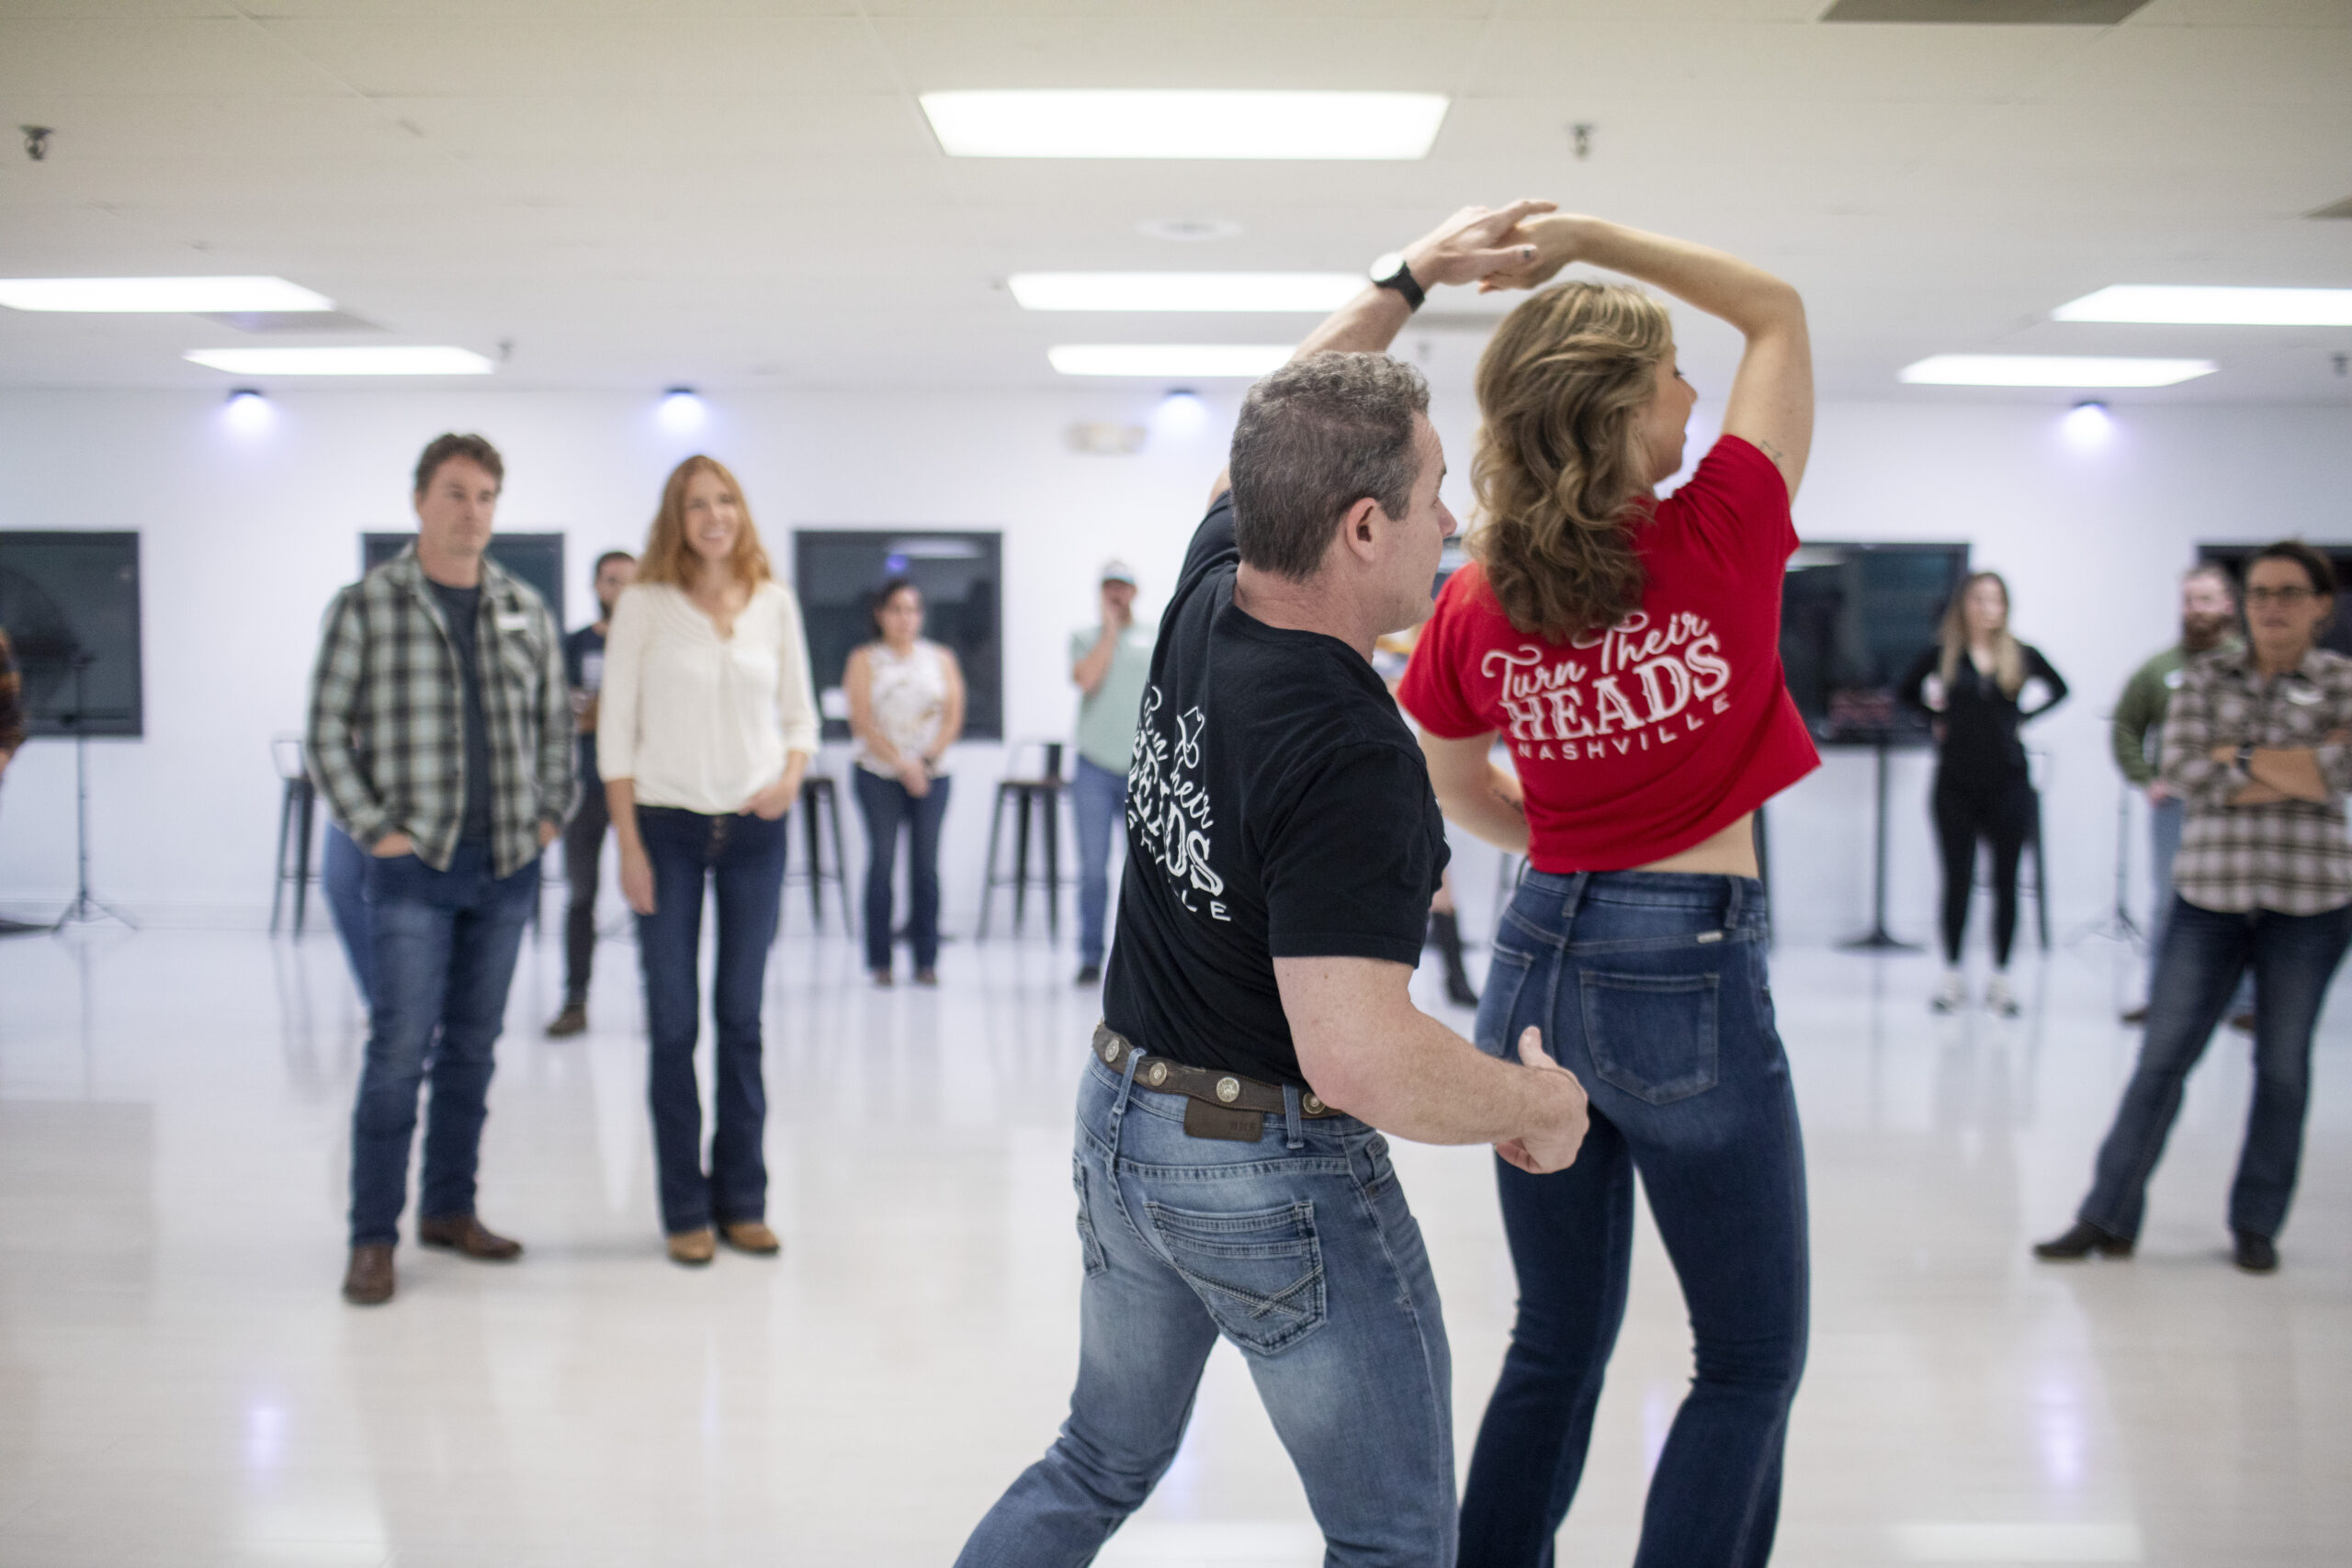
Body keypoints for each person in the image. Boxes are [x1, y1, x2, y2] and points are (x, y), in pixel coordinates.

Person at [955, 200, 1591, 1568]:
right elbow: (1357, 1053)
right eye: (1434, 499)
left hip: (1123, 1118)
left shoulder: (1213, 581)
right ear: (1365, 526)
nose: (1457, 521)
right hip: (1263, 1169)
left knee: (1096, 1458)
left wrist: (1410, 276)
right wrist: (1535, 1102)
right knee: (1398, 1536)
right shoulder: (1354, 745)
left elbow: (1277, 416)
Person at [1400, 213, 1820, 1568]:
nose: (1698, 388)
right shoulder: (1727, 528)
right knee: (1748, 1357)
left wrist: (1564, 797)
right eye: (1674, 371)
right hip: (1683, 962)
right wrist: (1585, 239)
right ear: (1628, 403)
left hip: (1534, 955)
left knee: (1555, 1338)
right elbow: (1777, 307)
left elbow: (1457, 785)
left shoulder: (1480, 596)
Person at [307, 433, 574, 1307]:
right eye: (457, 493)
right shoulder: (368, 605)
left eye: (488, 495)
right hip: (413, 868)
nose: (473, 511)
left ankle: (450, 1209)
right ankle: (372, 1237)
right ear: (421, 500)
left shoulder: (521, 609)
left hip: (504, 867)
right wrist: (375, 831)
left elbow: (555, 732)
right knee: (397, 1052)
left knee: (472, 1052)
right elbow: (324, 735)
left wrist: (546, 818)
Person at [2038, 541, 2352, 1276]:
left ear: (2320, 607)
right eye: (2261, 592)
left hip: (2310, 905)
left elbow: (2341, 774)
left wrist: (2234, 756)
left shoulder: (2342, 681)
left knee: (2282, 1067)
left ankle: (2256, 1224)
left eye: (2288, 592)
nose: (2271, 605)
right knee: (2160, 1060)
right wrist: (2296, 766)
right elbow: (2180, 768)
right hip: (2208, 899)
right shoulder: (2200, 676)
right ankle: (2105, 1214)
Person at [599, 457, 817, 1267]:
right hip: (665, 832)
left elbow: (802, 717)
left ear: (742, 512)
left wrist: (788, 779)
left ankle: (743, 1201)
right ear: (675, 517)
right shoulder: (645, 606)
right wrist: (626, 843)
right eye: (697, 504)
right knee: (672, 1023)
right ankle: (684, 1208)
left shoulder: (775, 603)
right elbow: (615, 731)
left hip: (755, 832)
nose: (713, 515)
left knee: (740, 1018)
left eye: (725, 500)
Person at [1899, 573, 2068, 1018]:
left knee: (2005, 881)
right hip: (1954, 783)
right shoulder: (1944, 655)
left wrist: (2022, 717)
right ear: (1964, 605)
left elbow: (2060, 689)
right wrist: (1933, 717)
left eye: (1995, 600)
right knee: (1957, 880)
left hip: (2008, 783)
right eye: (1978, 599)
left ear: (2005, 607)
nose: (1987, 607)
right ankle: (1952, 974)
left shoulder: (2021, 655)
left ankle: (2002, 977)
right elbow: (1905, 693)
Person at [2111, 564, 2245, 1027]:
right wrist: (2146, 778)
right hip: (2176, 806)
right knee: (2168, 901)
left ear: (2228, 604)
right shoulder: (2159, 669)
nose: (2196, 609)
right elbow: (2126, 726)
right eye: (2189, 599)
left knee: (2242, 900)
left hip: (2235, 807)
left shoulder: (2249, 665)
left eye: (2206, 599)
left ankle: (2244, 1005)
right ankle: (2161, 998)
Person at [845, 579, 963, 987]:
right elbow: (861, 721)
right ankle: (880, 961)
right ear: (880, 614)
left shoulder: (940, 658)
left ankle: (926, 960)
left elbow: (951, 717)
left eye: (912, 609)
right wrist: (902, 765)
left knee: (925, 868)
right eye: (896, 609)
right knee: (882, 863)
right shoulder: (864, 659)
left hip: (933, 774)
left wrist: (924, 762)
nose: (905, 618)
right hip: (877, 774)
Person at [548, 548, 638, 1037]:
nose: (620, 591)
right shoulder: (571, 645)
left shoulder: (651, 644)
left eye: (631, 581)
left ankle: (658, 1003)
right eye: (612, 581)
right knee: (581, 895)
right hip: (585, 788)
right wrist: (612, 709)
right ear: (596, 587)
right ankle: (574, 1001)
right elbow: (568, 714)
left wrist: (598, 708)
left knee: (649, 895)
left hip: (643, 791)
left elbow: (649, 718)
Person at [1374, 627, 1481, 1008]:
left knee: (1437, 880)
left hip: (1415, 779)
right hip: (1378, 778)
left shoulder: (1422, 655)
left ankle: (1456, 979)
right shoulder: (1368, 652)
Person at [1068, 560, 1153, 986]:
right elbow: (1086, 681)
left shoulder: (1154, 637)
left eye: (1124, 588)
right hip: (1093, 769)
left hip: (1143, 770)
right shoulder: (1084, 638)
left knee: (1142, 872)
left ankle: (1138, 962)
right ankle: (1089, 955)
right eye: (1110, 589)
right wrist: (1108, 632)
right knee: (1092, 869)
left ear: (1135, 592)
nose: (1117, 596)